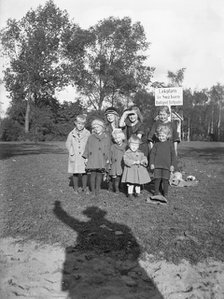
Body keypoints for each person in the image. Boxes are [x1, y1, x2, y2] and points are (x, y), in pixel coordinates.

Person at [82, 118, 111, 197]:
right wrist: (86, 157)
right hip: (93, 158)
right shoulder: (91, 137)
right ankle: (93, 190)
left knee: (99, 175)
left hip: (102, 159)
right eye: (94, 127)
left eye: (97, 127)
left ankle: (97, 190)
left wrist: (108, 158)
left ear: (102, 127)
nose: (96, 129)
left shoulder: (106, 137)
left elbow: (108, 148)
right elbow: (87, 147)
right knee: (92, 175)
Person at [149, 125, 176, 202]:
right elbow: (152, 154)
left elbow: (173, 156)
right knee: (157, 179)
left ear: (167, 136)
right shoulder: (156, 144)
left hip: (167, 166)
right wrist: (152, 163)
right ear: (157, 136)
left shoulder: (170, 144)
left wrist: (172, 165)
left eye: (163, 136)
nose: (161, 137)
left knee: (165, 180)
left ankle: (165, 192)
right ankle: (156, 192)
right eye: (160, 136)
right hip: (157, 166)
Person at [65, 114, 90, 194]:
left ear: (84, 124)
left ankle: (84, 188)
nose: (80, 125)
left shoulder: (87, 133)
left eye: (82, 124)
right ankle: (75, 189)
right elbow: (68, 143)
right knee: (75, 172)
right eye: (79, 123)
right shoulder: (71, 133)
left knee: (84, 172)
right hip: (74, 156)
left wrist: (87, 155)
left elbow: (89, 144)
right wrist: (71, 151)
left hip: (84, 156)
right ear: (75, 123)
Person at [121, 135, 151, 200]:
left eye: (136, 145)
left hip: (138, 171)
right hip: (131, 171)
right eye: (132, 145)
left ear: (138, 146)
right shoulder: (127, 153)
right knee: (131, 183)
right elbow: (126, 160)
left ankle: (137, 193)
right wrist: (134, 162)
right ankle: (130, 193)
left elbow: (144, 158)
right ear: (129, 145)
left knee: (138, 183)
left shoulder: (140, 153)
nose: (134, 147)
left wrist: (143, 161)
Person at [109, 129, 126, 194]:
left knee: (122, 177)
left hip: (122, 164)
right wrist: (110, 162)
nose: (117, 140)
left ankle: (122, 188)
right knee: (115, 178)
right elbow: (110, 155)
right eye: (115, 139)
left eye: (119, 138)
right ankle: (116, 189)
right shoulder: (113, 146)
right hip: (115, 164)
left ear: (122, 137)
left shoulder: (125, 146)